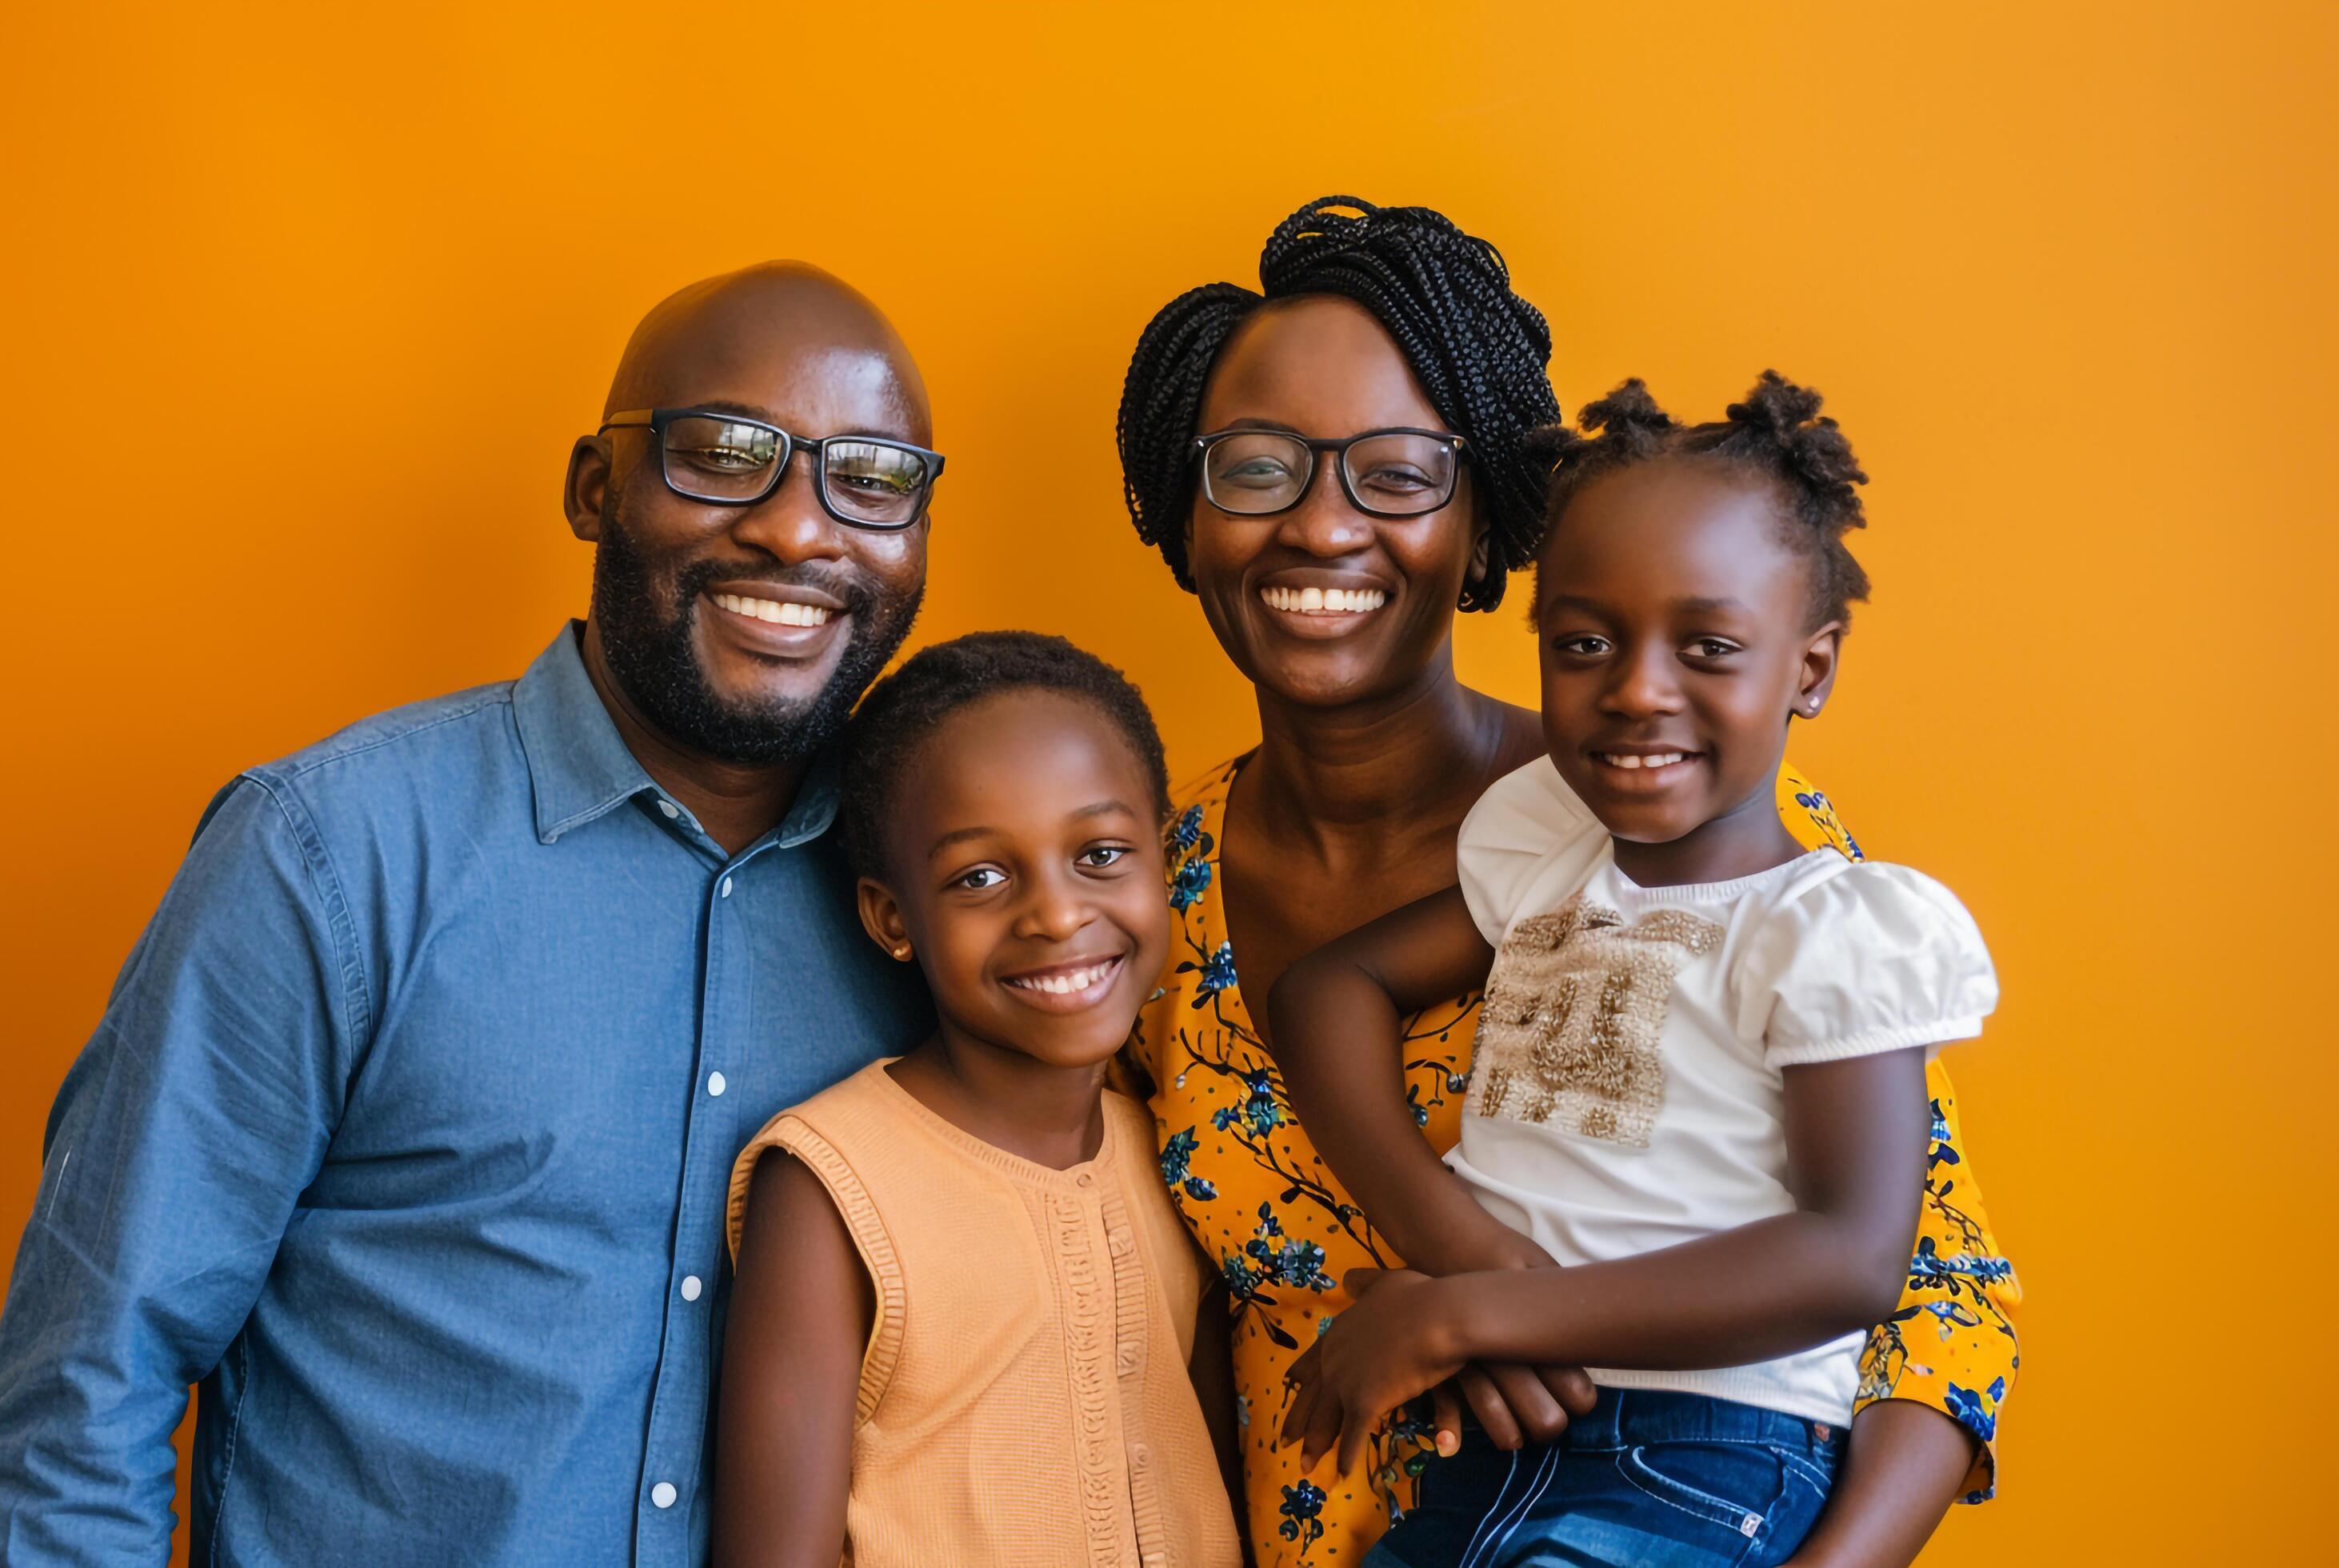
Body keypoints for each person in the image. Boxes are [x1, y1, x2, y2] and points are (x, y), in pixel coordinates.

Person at [0, 263, 940, 1565]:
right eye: (724, 454)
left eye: (874, 477)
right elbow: (83, 1396)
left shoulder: (954, 895)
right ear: (593, 490)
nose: (798, 529)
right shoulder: (331, 852)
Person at [1115, 197, 2021, 1566]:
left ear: (1489, 519)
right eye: (1255, 468)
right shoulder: (1136, 897)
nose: (1320, 524)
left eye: (1400, 470)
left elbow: (1937, 1299)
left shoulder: (1690, 834)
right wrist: (1476, 1272)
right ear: (1187, 512)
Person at [1272, 373, 1997, 1566]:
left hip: (1707, 1448)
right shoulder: (1547, 857)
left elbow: (1853, 1257)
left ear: (1809, 671)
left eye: (1708, 646)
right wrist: (1467, 1256)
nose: (1637, 689)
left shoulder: (1833, 929)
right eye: (1584, 643)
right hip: (1480, 1449)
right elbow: (1325, 993)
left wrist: (1468, 1311)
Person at [714, 632, 1242, 1567]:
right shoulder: (831, 1183)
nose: (1056, 914)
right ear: (891, 918)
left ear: (1166, 859)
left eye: (1102, 852)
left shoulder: (1174, 1154)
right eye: (981, 877)